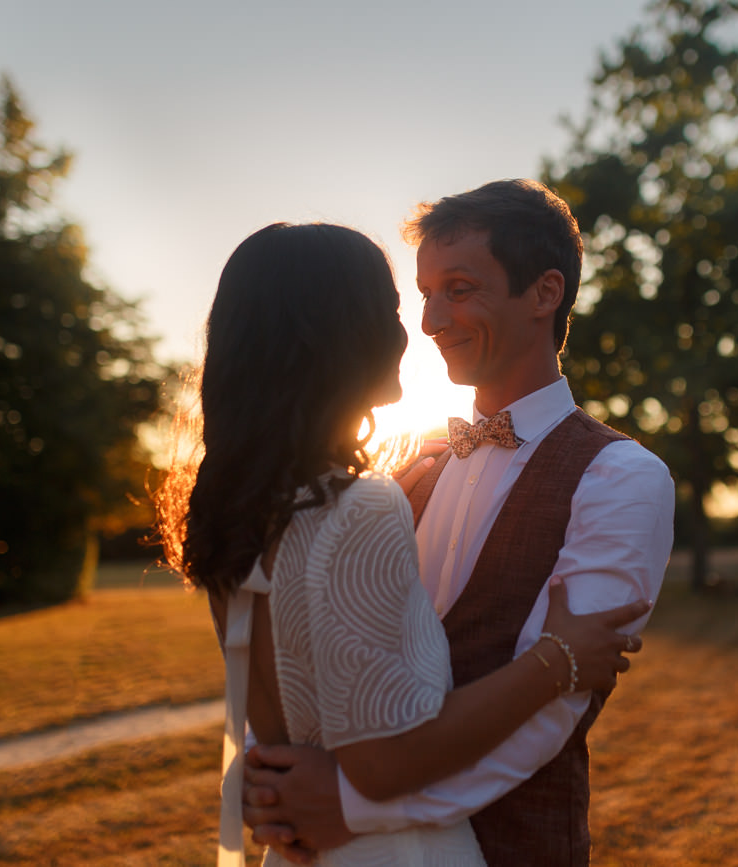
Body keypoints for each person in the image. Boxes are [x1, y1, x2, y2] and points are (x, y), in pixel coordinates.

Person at [177, 221, 652, 867]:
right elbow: (381, 759)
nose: (420, 327)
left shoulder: (234, 516)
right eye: (401, 305)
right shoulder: (373, 498)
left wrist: (268, 788)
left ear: (544, 294)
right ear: (334, 336)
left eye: (454, 290)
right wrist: (560, 658)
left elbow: (280, 705)